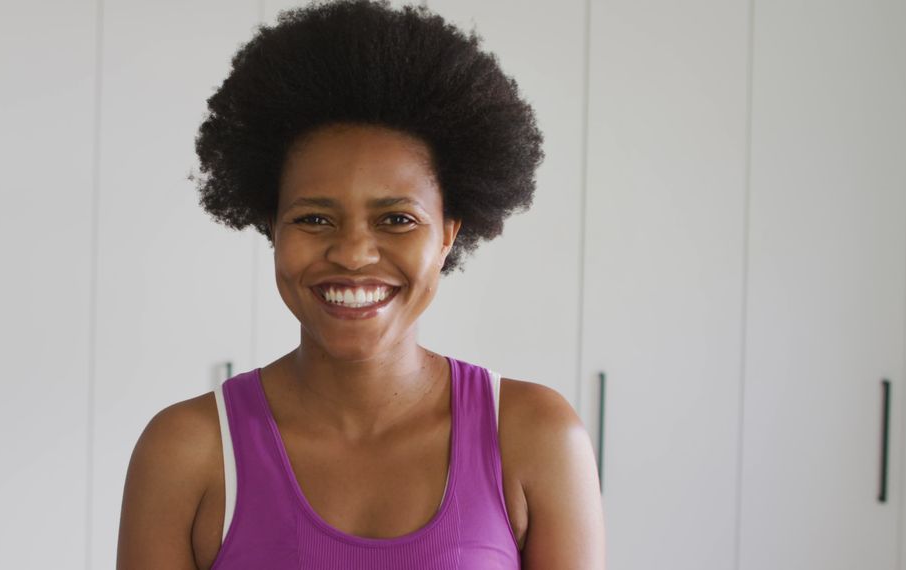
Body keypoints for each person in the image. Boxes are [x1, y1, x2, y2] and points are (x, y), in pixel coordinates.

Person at [116, 1, 605, 568]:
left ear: (448, 234)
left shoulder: (535, 437)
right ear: (271, 225)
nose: (352, 254)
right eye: (313, 218)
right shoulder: (186, 451)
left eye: (397, 219)